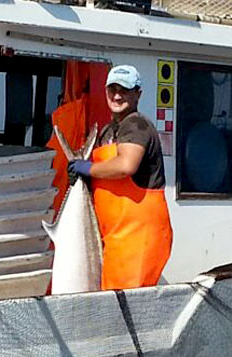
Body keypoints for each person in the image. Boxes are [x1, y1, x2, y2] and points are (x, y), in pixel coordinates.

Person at [68, 64, 172, 290]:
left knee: (127, 308)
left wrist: (87, 169)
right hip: (113, 237)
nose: (117, 95)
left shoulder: (136, 125)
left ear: (138, 94)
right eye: (112, 89)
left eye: (124, 90)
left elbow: (126, 166)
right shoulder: (106, 132)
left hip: (137, 238)